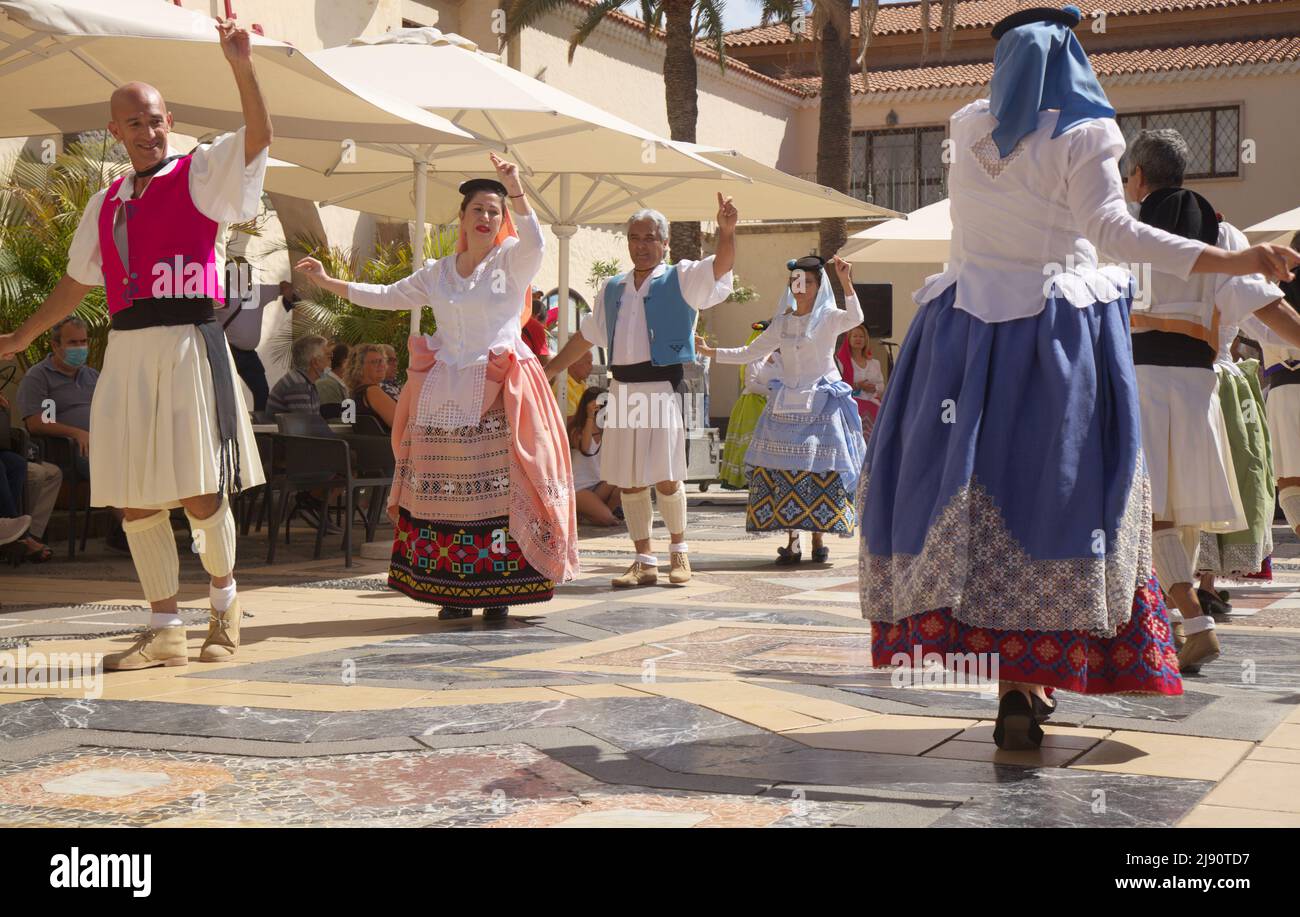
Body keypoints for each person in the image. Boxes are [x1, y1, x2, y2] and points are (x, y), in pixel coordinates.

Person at [856, 6, 1300, 750]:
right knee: (1059, 500)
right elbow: (1114, 233)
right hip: (1055, 342)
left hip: (960, 344)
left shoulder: (967, 125)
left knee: (980, 503)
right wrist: (1237, 258)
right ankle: (1031, 678)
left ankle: (1011, 683)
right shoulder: (1086, 132)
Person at [0, 19, 270, 669]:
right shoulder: (105, 204)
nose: (147, 131)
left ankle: (225, 604)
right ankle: (164, 628)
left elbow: (260, 138)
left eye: (155, 120)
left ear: (167, 121)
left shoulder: (201, 172)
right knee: (135, 493)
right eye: (134, 123)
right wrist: (22, 336)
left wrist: (241, 67)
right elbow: (73, 285)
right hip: (128, 348)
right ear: (115, 132)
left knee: (204, 491)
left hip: (189, 343)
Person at [295, 154, 578, 621]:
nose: (486, 217)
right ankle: (450, 590)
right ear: (462, 218)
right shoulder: (440, 272)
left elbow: (536, 240)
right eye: (478, 210)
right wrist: (328, 282)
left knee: (500, 489)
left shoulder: (514, 261)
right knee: (444, 490)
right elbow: (386, 295)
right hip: (446, 392)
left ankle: (499, 592)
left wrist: (517, 187)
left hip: (502, 387)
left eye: (494, 210)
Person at [1121, 128, 1293, 672]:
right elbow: (1268, 309)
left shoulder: (1121, 232)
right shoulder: (1222, 231)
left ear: (1139, 178)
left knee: (1151, 514)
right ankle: (1172, 622)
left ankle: (1193, 621)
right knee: (1183, 514)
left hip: (1139, 385)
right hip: (1199, 387)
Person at [544, 196, 739, 587]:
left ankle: (679, 553)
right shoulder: (612, 288)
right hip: (623, 389)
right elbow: (586, 336)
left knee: (666, 476)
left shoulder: (682, 277)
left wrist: (727, 231)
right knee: (630, 479)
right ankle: (643, 559)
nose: (642, 244)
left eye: (650, 237)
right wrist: (548, 368)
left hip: (661, 387)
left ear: (664, 243)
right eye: (635, 237)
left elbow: (721, 266)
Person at [699, 256, 865, 564]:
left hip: (821, 402)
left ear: (818, 286)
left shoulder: (829, 317)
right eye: (796, 281)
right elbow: (751, 352)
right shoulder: (783, 323)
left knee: (821, 472)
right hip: (786, 403)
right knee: (783, 472)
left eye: (808, 282)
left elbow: (855, 318)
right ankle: (793, 541)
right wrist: (711, 351)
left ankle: (818, 537)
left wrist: (846, 280)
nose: (800, 288)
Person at [15, 316, 129, 552]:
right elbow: (38, 423)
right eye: (73, 343)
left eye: (83, 342)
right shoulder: (40, 377)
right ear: (55, 345)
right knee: (106, 463)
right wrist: (77, 433)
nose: (80, 348)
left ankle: (133, 529)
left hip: (106, 443)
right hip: (66, 450)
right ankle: (132, 529)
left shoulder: (92, 376)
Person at [220, 270, 298, 412]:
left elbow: (283, 286)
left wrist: (289, 295)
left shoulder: (257, 291)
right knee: (224, 392)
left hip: (248, 354)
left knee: (261, 390)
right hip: (226, 351)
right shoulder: (221, 292)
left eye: (246, 271)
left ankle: (259, 427)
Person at [718, 320, 776, 490]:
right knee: (750, 444)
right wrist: (774, 391)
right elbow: (751, 384)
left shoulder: (779, 358)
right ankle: (747, 479)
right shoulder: (754, 358)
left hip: (772, 406)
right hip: (752, 406)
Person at [567, 386, 622, 526]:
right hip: (580, 489)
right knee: (608, 520)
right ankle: (600, 515)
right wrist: (590, 417)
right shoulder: (576, 429)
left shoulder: (608, 429)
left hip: (598, 486)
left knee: (625, 480)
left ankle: (594, 514)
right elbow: (585, 448)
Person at [836, 322, 884, 439]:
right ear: (849, 339)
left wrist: (874, 388)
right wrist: (858, 386)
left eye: (861, 336)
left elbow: (882, 385)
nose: (858, 339)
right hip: (852, 402)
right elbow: (838, 386)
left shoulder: (874, 363)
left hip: (872, 400)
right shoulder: (842, 362)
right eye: (855, 336)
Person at [265, 334, 326, 416]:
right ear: (315, 362)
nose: (332, 363)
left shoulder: (305, 382)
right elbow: (308, 425)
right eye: (329, 357)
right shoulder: (297, 385)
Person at [346, 342, 397, 434]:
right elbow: (401, 423)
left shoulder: (355, 393)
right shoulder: (372, 391)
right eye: (375, 362)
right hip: (388, 446)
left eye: (382, 361)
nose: (381, 365)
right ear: (359, 367)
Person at [315, 341, 350, 406]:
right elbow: (332, 414)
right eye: (352, 361)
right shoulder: (326, 384)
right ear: (344, 362)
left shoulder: (340, 383)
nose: (355, 365)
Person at [522, 290, 551, 367]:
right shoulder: (535, 326)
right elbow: (545, 363)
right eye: (534, 296)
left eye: (538, 297)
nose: (537, 299)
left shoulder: (514, 319)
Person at [565, 348, 593, 418]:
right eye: (588, 362)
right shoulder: (564, 388)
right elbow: (569, 424)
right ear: (573, 363)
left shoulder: (583, 385)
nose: (591, 367)